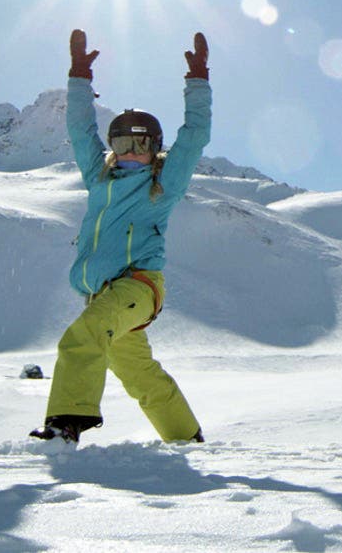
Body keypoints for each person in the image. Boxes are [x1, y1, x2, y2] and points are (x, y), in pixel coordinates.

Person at [29, 28, 212, 445]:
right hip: (104, 294)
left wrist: (198, 80)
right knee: (138, 372)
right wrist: (79, 77)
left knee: (84, 334)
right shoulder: (99, 178)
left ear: (155, 148)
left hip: (138, 286)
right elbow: (79, 131)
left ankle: (65, 425)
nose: (130, 150)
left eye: (140, 142)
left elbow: (195, 135)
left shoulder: (163, 183)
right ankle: (187, 438)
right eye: (121, 141)